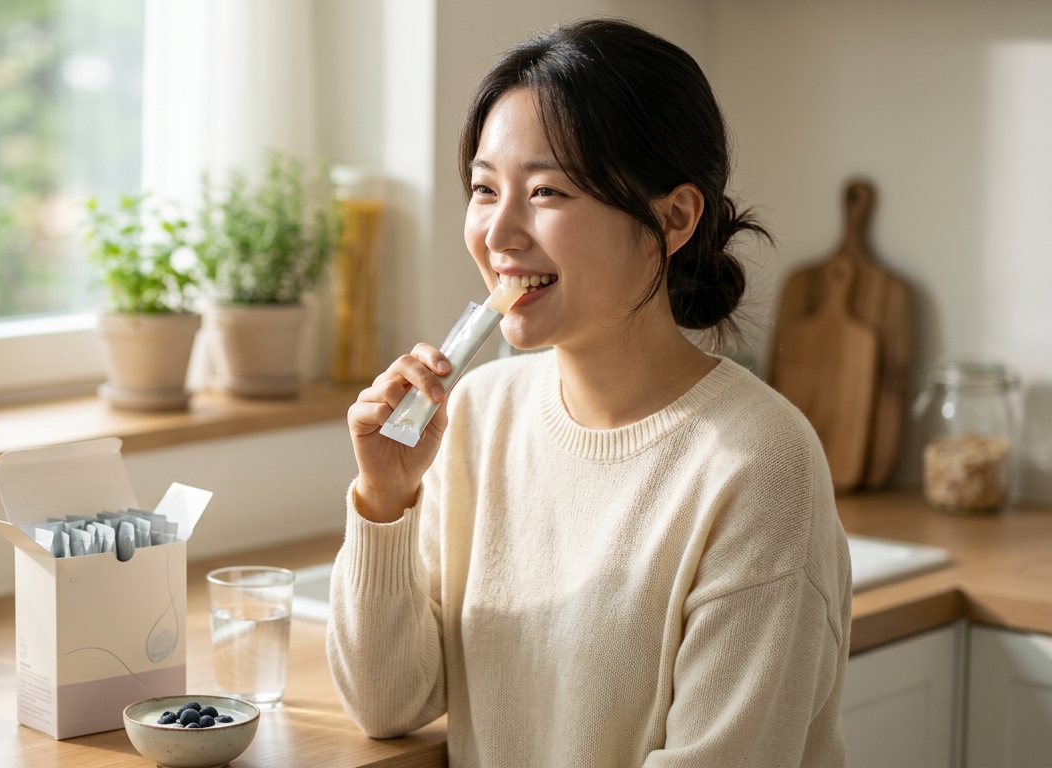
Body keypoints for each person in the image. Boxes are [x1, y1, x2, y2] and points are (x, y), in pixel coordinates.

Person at [327, 18, 851, 767]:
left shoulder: (760, 463)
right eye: (484, 189)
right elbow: (388, 704)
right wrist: (385, 498)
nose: (498, 234)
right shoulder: (477, 415)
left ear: (674, 218)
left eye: (547, 191)